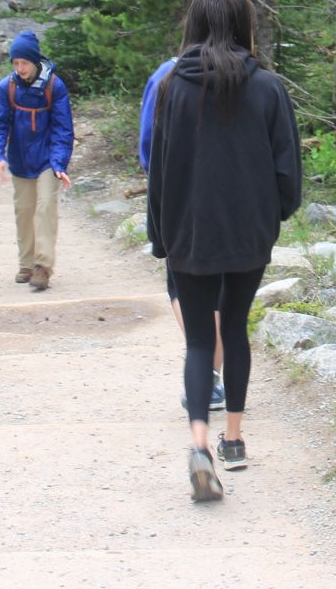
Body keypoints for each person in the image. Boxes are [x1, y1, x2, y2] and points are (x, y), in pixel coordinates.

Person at [146, 0, 302, 502]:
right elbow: (288, 173)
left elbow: (160, 171)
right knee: (233, 328)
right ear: (242, 24)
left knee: (196, 340)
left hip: (190, 231)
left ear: (194, 23)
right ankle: (233, 438)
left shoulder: (172, 87)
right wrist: (272, 216)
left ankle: (199, 443)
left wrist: (160, 236)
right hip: (247, 232)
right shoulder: (269, 89)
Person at [140, 57, 225, 413]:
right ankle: (216, 379)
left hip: (178, 197)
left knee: (181, 283)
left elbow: (148, 140)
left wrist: (154, 178)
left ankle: (204, 372)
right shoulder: (240, 73)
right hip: (226, 197)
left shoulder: (165, 75)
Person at [0, 30, 74, 290]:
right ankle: (26, 264)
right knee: (24, 211)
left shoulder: (54, 86)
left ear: (35, 62)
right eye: (15, 63)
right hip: (20, 159)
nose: (20, 68)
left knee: (45, 208)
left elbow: (62, 129)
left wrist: (58, 164)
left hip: (47, 160)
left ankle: (42, 267)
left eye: (24, 62)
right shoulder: (7, 88)